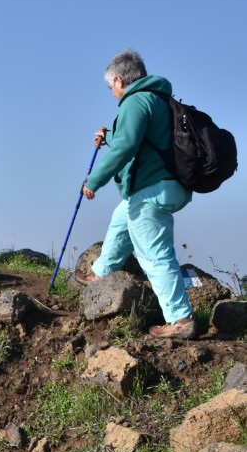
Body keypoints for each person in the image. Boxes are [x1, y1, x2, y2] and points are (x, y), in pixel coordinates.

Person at [76, 49, 195, 339]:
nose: (112, 94)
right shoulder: (159, 99)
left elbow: (126, 147)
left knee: (154, 255)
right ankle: (102, 271)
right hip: (171, 185)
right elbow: (140, 141)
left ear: (119, 80)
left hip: (153, 187)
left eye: (110, 88)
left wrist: (95, 180)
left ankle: (181, 320)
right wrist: (109, 137)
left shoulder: (136, 101)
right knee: (123, 216)